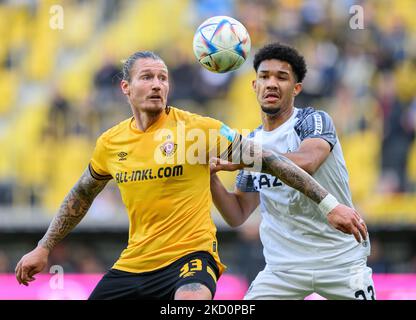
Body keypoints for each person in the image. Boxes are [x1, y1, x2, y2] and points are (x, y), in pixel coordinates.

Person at [15, 51, 367, 300]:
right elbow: (81, 195)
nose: (157, 85)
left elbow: (273, 162)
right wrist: (43, 248)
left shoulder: (199, 131)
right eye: (147, 77)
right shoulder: (110, 143)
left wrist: (328, 204)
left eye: (163, 78)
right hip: (135, 262)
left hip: (191, 259)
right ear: (126, 88)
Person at [210, 42, 376, 300]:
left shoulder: (313, 121)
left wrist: (248, 158)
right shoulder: (252, 143)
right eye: (264, 77)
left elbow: (308, 160)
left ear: (296, 88)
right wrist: (210, 176)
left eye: (282, 77)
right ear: (255, 86)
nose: (272, 83)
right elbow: (237, 213)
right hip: (282, 270)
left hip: (340, 262)